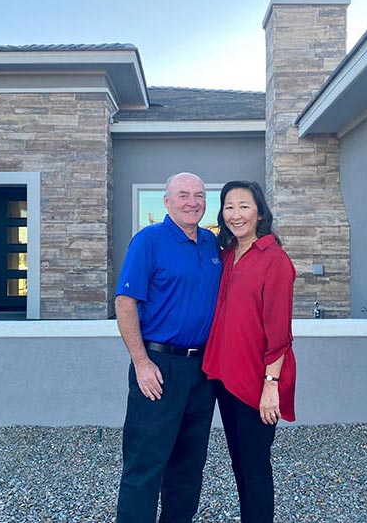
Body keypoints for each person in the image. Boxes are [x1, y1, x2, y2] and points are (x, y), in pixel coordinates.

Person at [115, 172, 222, 523]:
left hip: (202, 369)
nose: (192, 201)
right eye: (183, 194)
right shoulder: (149, 240)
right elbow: (126, 302)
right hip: (159, 366)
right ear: (167, 201)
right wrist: (142, 362)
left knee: (189, 465)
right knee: (146, 464)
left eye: (199, 194)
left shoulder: (211, 244)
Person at [203, 180, 296, 523]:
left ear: (259, 212)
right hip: (225, 378)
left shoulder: (275, 260)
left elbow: (279, 332)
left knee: (255, 467)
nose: (236, 214)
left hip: (257, 383)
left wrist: (271, 385)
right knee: (240, 463)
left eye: (244, 206)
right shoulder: (227, 255)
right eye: (229, 206)